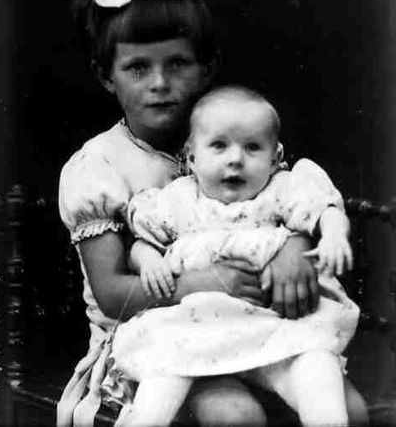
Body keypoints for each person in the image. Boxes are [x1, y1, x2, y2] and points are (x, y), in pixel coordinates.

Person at [55, 0, 366, 426]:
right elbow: (112, 294)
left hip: (258, 322)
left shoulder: (230, 135)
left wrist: (295, 248)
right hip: (154, 338)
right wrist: (204, 283)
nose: (159, 83)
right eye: (137, 67)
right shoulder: (97, 168)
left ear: (206, 69)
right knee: (236, 416)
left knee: (352, 410)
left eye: (177, 64)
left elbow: (284, 202)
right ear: (106, 76)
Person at [112, 87, 359, 427]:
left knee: (317, 368)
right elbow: (144, 242)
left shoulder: (280, 190)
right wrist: (149, 261)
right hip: (196, 332)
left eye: (252, 147)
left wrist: (333, 234)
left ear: (275, 157)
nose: (235, 159)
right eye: (219, 145)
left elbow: (323, 208)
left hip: (275, 328)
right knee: (163, 371)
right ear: (192, 157)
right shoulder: (178, 200)